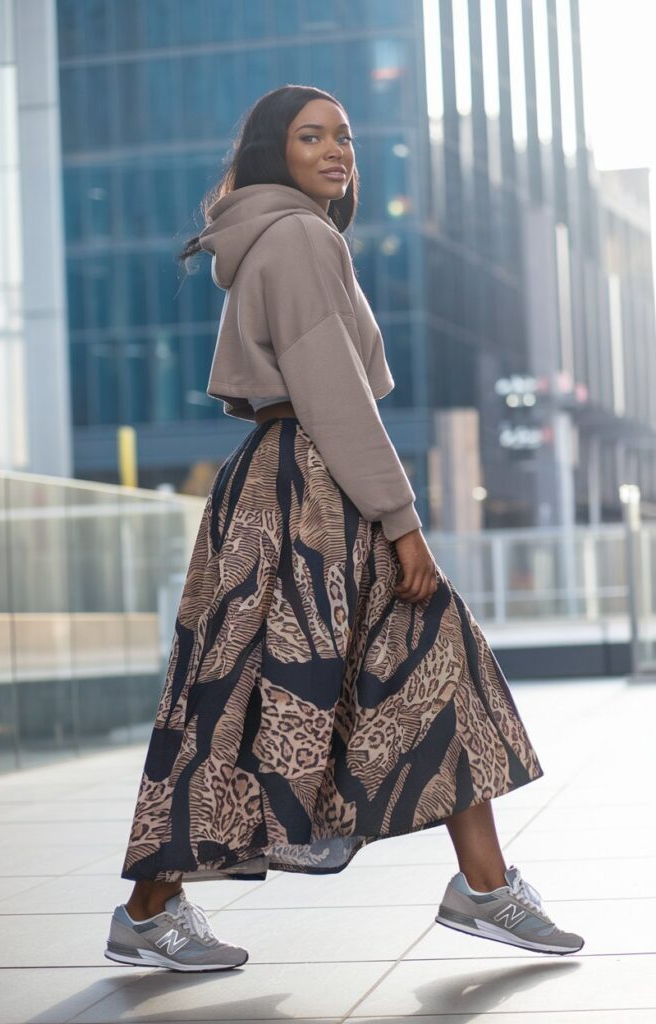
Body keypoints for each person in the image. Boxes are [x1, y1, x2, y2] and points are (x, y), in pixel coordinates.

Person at [104, 85, 583, 972]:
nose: (336, 151)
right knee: (250, 698)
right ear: (270, 153)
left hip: (293, 487)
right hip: (309, 494)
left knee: (403, 667)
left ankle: (481, 886)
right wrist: (404, 525)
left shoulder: (280, 236)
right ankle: (149, 907)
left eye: (344, 137)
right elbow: (335, 397)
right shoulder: (297, 237)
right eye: (310, 137)